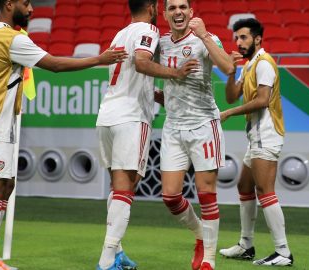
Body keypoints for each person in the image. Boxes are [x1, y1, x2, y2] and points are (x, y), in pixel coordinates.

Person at [0, 0, 126, 268]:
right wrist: (99, 59)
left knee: (5, 185)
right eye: (26, 3)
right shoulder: (12, 39)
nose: (31, 10)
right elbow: (55, 65)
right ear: (9, 3)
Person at [95, 0, 199, 269]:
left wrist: (161, 97)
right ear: (153, 7)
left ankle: (117, 253)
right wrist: (176, 73)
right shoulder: (149, 31)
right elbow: (142, 63)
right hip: (131, 118)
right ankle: (106, 261)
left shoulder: (120, 33)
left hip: (107, 115)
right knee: (125, 188)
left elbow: (130, 76)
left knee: (119, 187)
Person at [158, 1, 235, 270]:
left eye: (183, 7)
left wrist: (203, 34)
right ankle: (201, 234)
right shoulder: (161, 43)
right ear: (165, 14)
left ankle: (209, 260)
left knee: (206, 193)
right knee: (170, 196)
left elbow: (228, 68)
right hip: (173, 127)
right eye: (172, 8)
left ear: (191, 12)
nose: (178, 12)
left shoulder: (206, 38)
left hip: (204, 125)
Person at [218, 18, 294, 266]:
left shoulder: (264, 64)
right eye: (236, 38)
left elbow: (262, 100)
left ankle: (283, 252)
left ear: (257, 39)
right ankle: (246, 245)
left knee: (265, 191)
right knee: (244, 186)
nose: (238, 42)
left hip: (268, 135)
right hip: (256, 137)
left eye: (244, 37)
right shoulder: (249, 65)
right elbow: (231, 96)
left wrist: (229, 114)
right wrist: (230, 71)